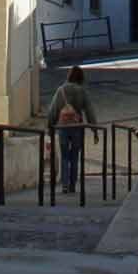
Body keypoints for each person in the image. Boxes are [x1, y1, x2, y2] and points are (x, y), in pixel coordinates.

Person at [47, 65, 95, 193]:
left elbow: (53, 110)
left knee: (64, 157)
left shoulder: (61, 90)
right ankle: (73, 184)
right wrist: (94, 130)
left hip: (63, 127)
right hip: (77, 127)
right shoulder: (82, 91)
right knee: (74, 157)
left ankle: (64, 185)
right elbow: (90, 111)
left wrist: (50, 126)